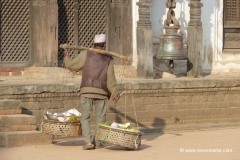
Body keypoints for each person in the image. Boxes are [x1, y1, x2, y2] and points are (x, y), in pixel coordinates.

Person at [63, 34, 120, 150]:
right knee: (101, 118)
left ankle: (89, 142)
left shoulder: (85, 54)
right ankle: (98, 142)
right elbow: (111, 79)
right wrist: (115, 93)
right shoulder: (109, 59)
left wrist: (66, 57)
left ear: (93, 44)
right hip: (102, 92)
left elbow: (71, 65)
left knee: (85, 117)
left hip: (86, 91)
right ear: (104, 45)